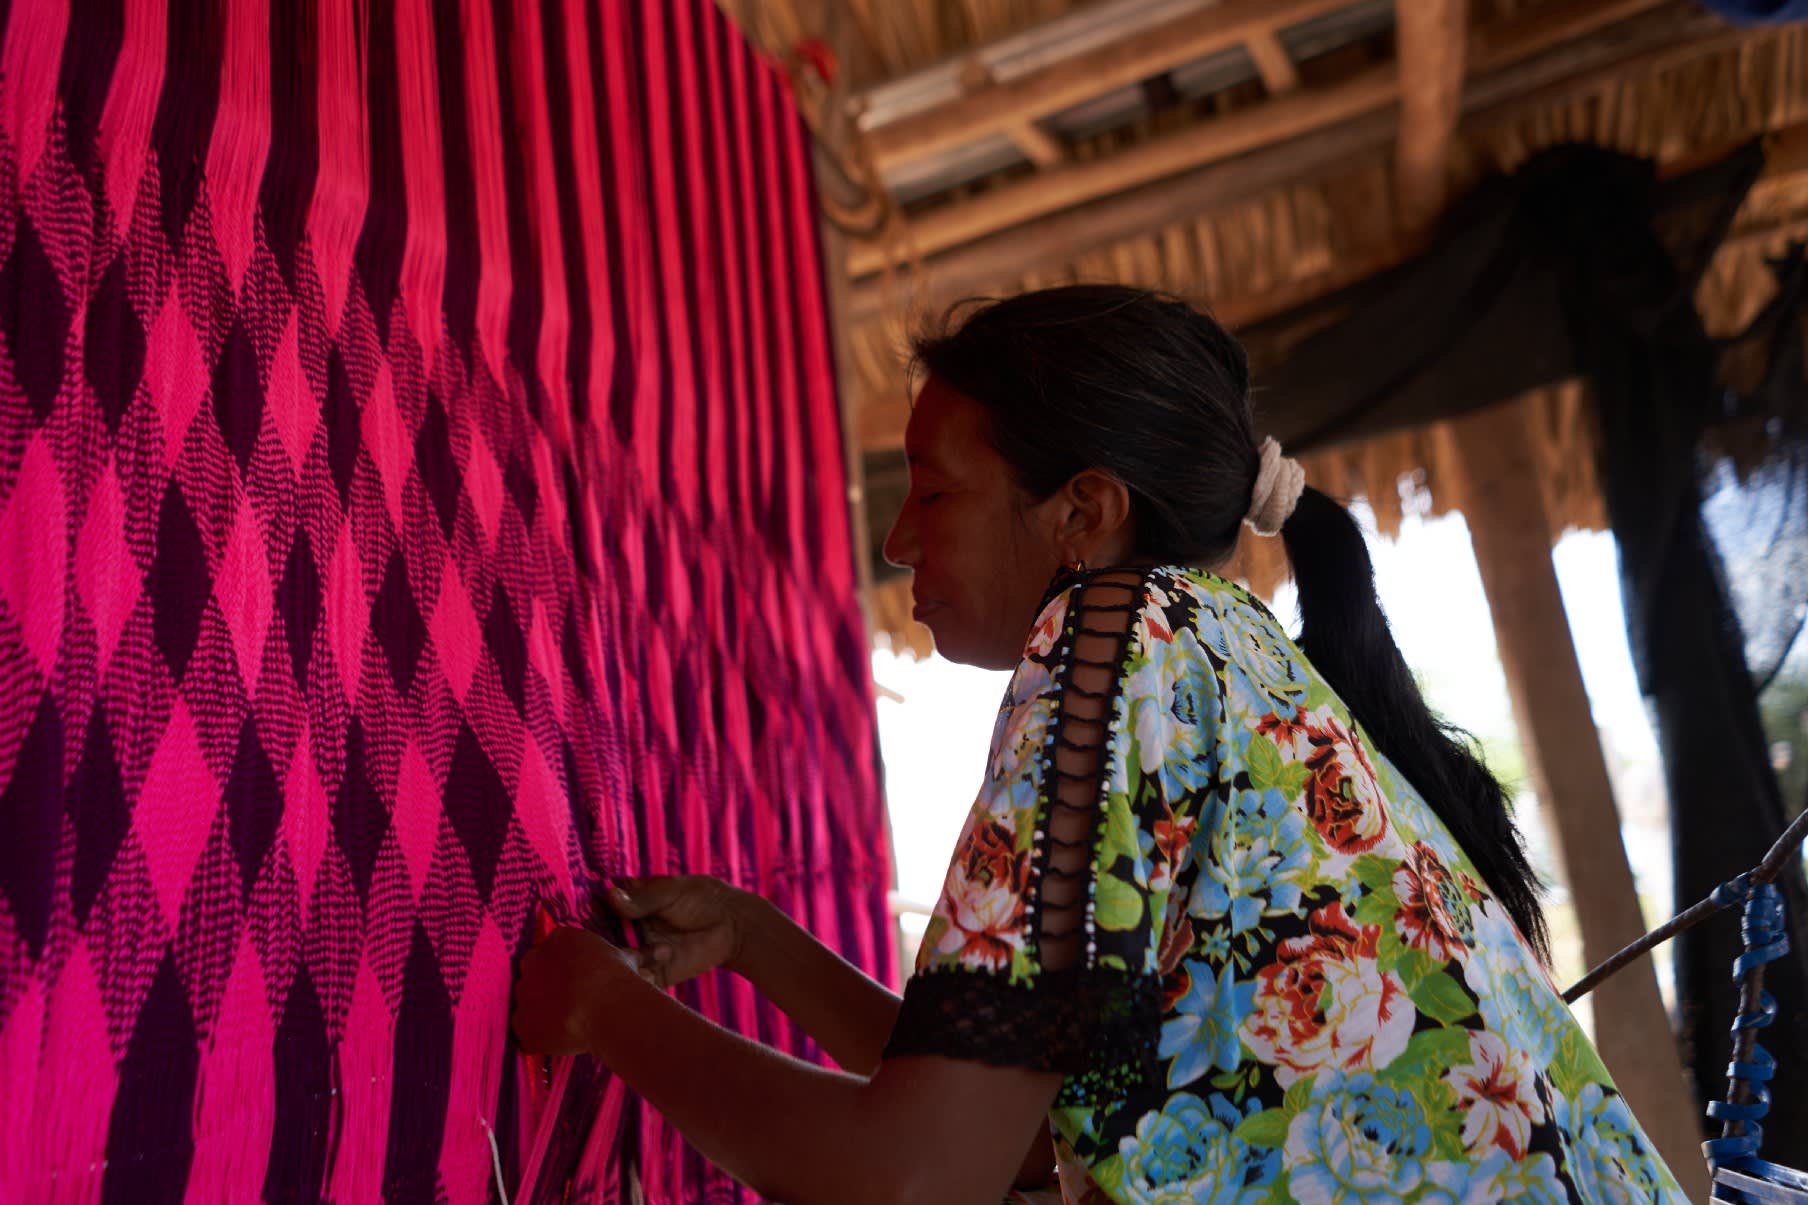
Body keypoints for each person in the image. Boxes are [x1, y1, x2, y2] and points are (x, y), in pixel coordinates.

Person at [513, 285, 1687, 1204]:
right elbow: (1025, 1118)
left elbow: (913, 1176)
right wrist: (756, 941)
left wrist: (604, 1013)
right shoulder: (1218, 650)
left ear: (1082, 510)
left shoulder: (1115, 642)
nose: (891, 538)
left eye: (931, 492)